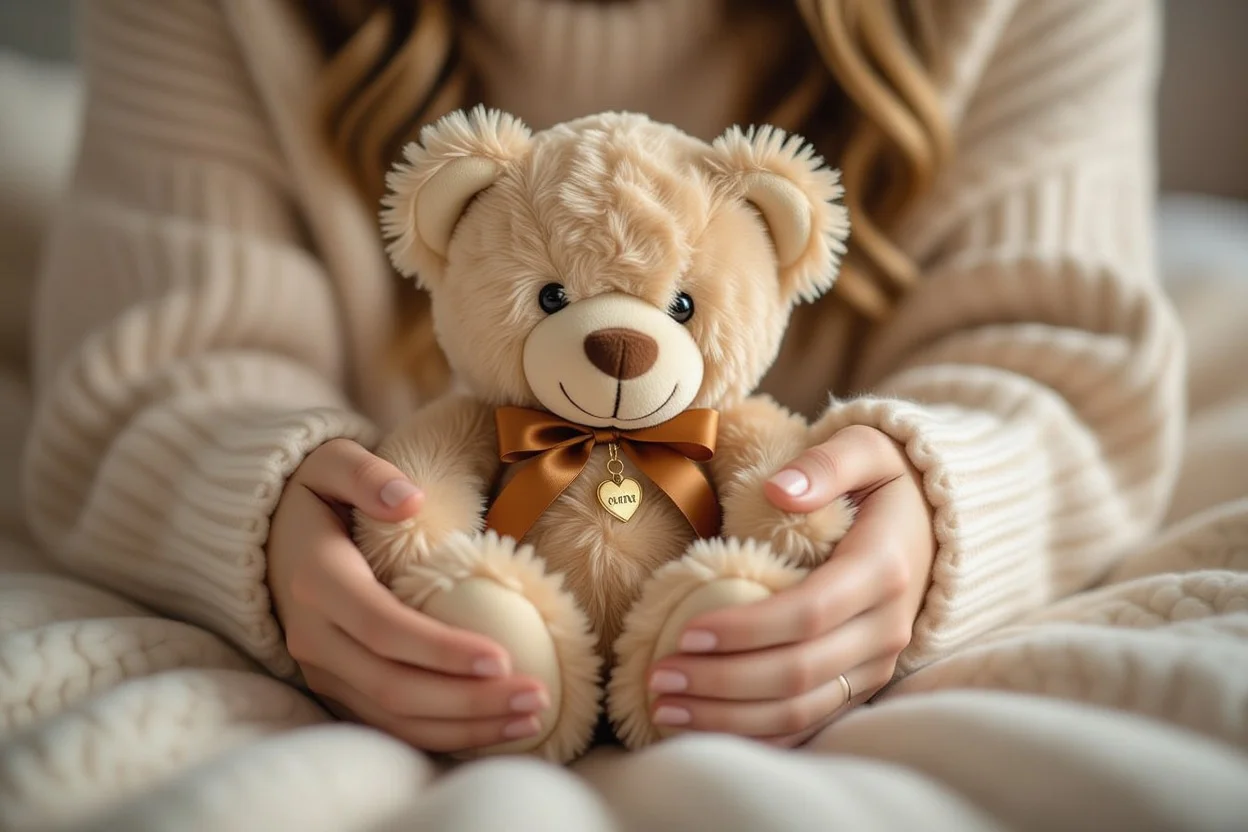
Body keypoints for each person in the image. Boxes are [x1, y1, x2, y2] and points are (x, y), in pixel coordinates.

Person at [24, 0, 1182, 755]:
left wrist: (935, 506)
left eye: (672, 309)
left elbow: (1057, 355)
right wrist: (273, 511)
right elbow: (158, 368)